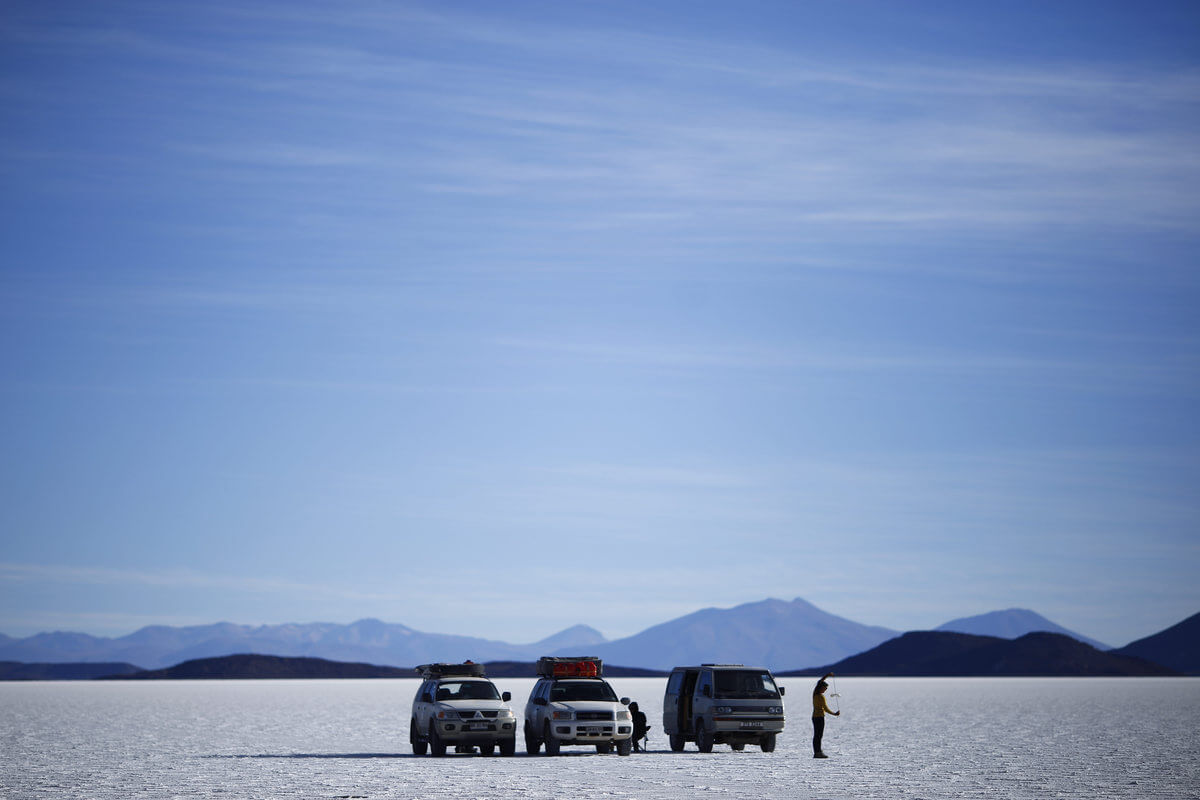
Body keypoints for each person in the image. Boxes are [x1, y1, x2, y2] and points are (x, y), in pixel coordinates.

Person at [812, 671, 840, 758]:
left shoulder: (816, 694)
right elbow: (825, 708)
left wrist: (827, 675)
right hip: (819, 717)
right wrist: (834, 714)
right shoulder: (818, 695)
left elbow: (820, 681)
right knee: (818, 735)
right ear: (821, 688)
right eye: (825, 688)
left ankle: (818, 751)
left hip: (816, 717)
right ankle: (817, 752)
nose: (826, 689)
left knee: (818, 735)